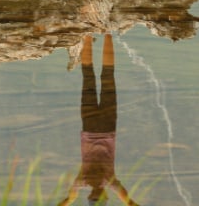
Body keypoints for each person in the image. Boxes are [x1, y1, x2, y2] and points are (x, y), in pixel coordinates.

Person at [57, 34, 140, 206]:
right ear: (90, 196)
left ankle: (108, 32)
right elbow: (68, 200)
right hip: (89, 127)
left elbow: (129, 202)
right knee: (88, 76)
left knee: (108, 76)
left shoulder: (110, 181)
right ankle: (88, 35)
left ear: (104, 197)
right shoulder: (82, 181)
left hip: (108, 127)